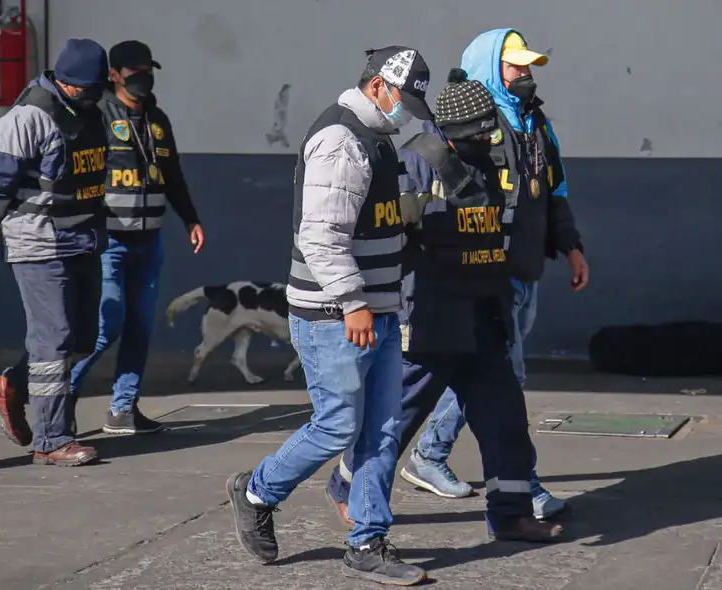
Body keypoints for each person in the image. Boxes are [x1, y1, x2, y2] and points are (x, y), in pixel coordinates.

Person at [324, 69, 566, 557]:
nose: (489, 138)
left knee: (505, 421)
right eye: (479, 130)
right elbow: (387, 230)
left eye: (491, 127)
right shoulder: (417, 161)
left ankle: (512, 514)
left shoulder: (492, 161)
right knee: (395, 420)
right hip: (431, 317)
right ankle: (346, 487)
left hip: (484, 315)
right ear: (453, 130)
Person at [227, 46, 434, 586]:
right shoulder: (342, 142)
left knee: (383, 430)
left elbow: (372, 223)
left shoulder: (376, 140)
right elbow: (320, 237)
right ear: (377, 88)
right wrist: (354, 302)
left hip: (378, 311)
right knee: (339, 424)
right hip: (335, 315)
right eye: (404, 100)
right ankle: (255, 491)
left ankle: (367, 542)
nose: (407, 111)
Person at [396, 29, 588, 519]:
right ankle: (524, 490)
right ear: (487, 68)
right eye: (514, 66)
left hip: (522, 270)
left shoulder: (536, 123)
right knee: (502, 380)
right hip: (485, 279)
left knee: (486, 379)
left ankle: (430, 455)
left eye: (527, 67)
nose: (524, 74)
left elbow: (553, 192)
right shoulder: (473, 129)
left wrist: (570, 247)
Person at [0, 38, 109, 467]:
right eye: (85, 89)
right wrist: (1, 222)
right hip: (40, 242)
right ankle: (52, 439)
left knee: (81, 339)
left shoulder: (90, 112)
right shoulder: (28, 117)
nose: (92, 97)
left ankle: (11, 384)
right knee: (52, 342)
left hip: (84, 238)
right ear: (66, 83)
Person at [69, 40, 205, 435]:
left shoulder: (157, 118)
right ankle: (60, 402)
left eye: (148, 70)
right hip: (109, 240)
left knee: (141, 326)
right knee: (105, 326)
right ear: (114, 75)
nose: (143, 78)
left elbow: (172, 174)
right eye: (135, 72)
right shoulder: (96, 116)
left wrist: (190, 219)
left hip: (150, 240)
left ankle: (123, 408)